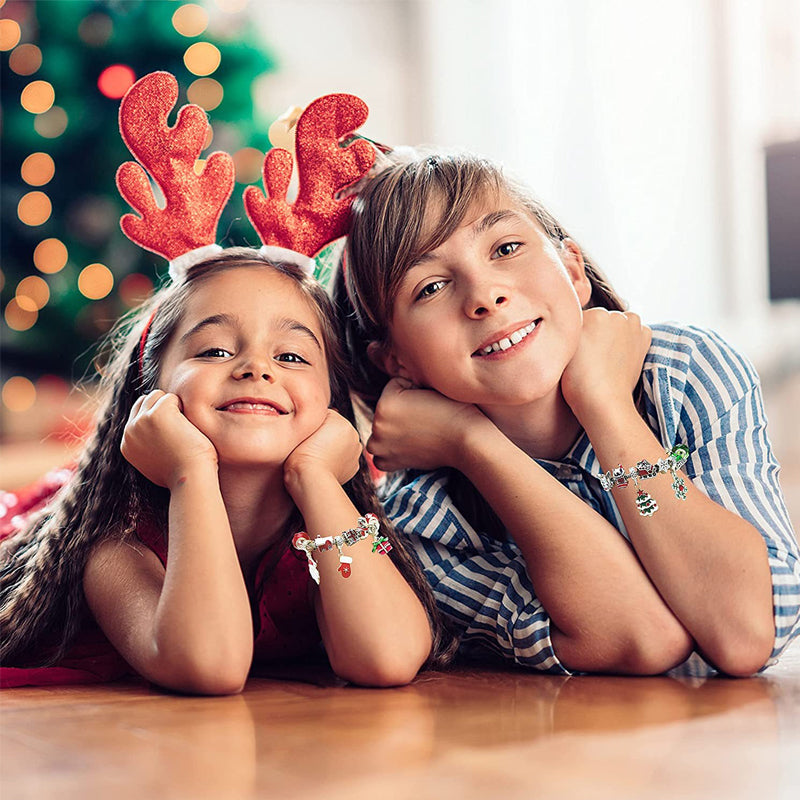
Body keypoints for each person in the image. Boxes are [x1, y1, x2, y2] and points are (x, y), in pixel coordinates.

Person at [0, 73, 455, 692]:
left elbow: (387, 659)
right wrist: (189, 472)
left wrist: (318, 478)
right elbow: (208, 665)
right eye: (214, 348)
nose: (255, 369)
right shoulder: (112, 544)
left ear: (332, 398)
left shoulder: (330, 515)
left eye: (293, 357)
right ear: (148, 384)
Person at [333, 150, 800, 677]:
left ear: (574, 272)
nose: (485, 295)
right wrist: (472, 444)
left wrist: (606, 409)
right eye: (431, 287)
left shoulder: (686, 373)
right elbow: (643, 636)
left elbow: (746, 631)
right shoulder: (422, 519)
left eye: (506, 248)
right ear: (396, 360)